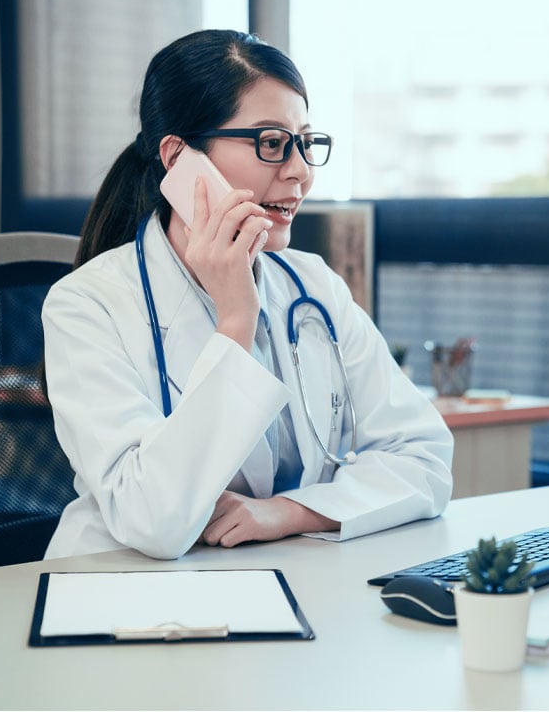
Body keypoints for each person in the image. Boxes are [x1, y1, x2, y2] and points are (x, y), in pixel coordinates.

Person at [41, 30, 453, 560]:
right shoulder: (86, 304)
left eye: (305, 143)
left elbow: (423, 458)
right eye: (271, 143)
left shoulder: (312, 287)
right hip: (121, 587)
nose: (300, 171)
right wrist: (236, 321)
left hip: (287, 572)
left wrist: (287, 512)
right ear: (178, 158)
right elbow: (153, 520)